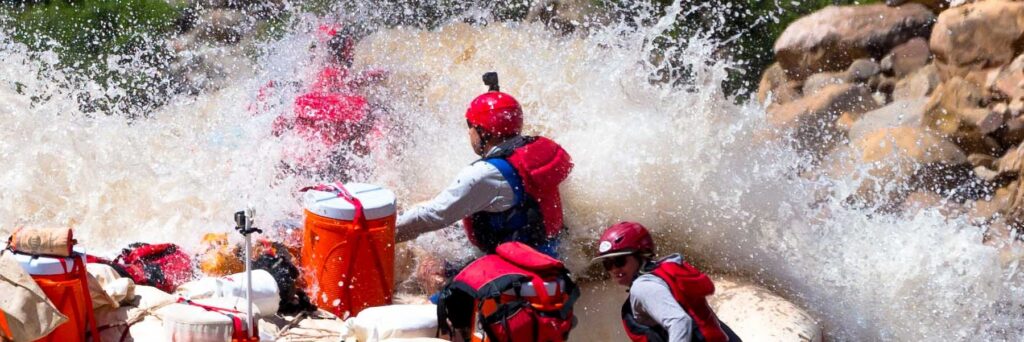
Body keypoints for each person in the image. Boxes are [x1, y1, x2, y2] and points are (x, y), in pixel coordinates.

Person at [395, 72, 573, 257]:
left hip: (515, 264)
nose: (469, 133)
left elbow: (433, 215)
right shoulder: (540, 150)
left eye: (470, 127)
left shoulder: (485, 174)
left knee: (429, 266)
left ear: (483, 132)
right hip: (550, 251)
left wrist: (384, 232)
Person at [593, 221, 742, 342]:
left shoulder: (642, 287)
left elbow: (680, 321)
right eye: (607, 264)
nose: (613, 269)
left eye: (619, 261)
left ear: (641, 255)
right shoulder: (668, 272)